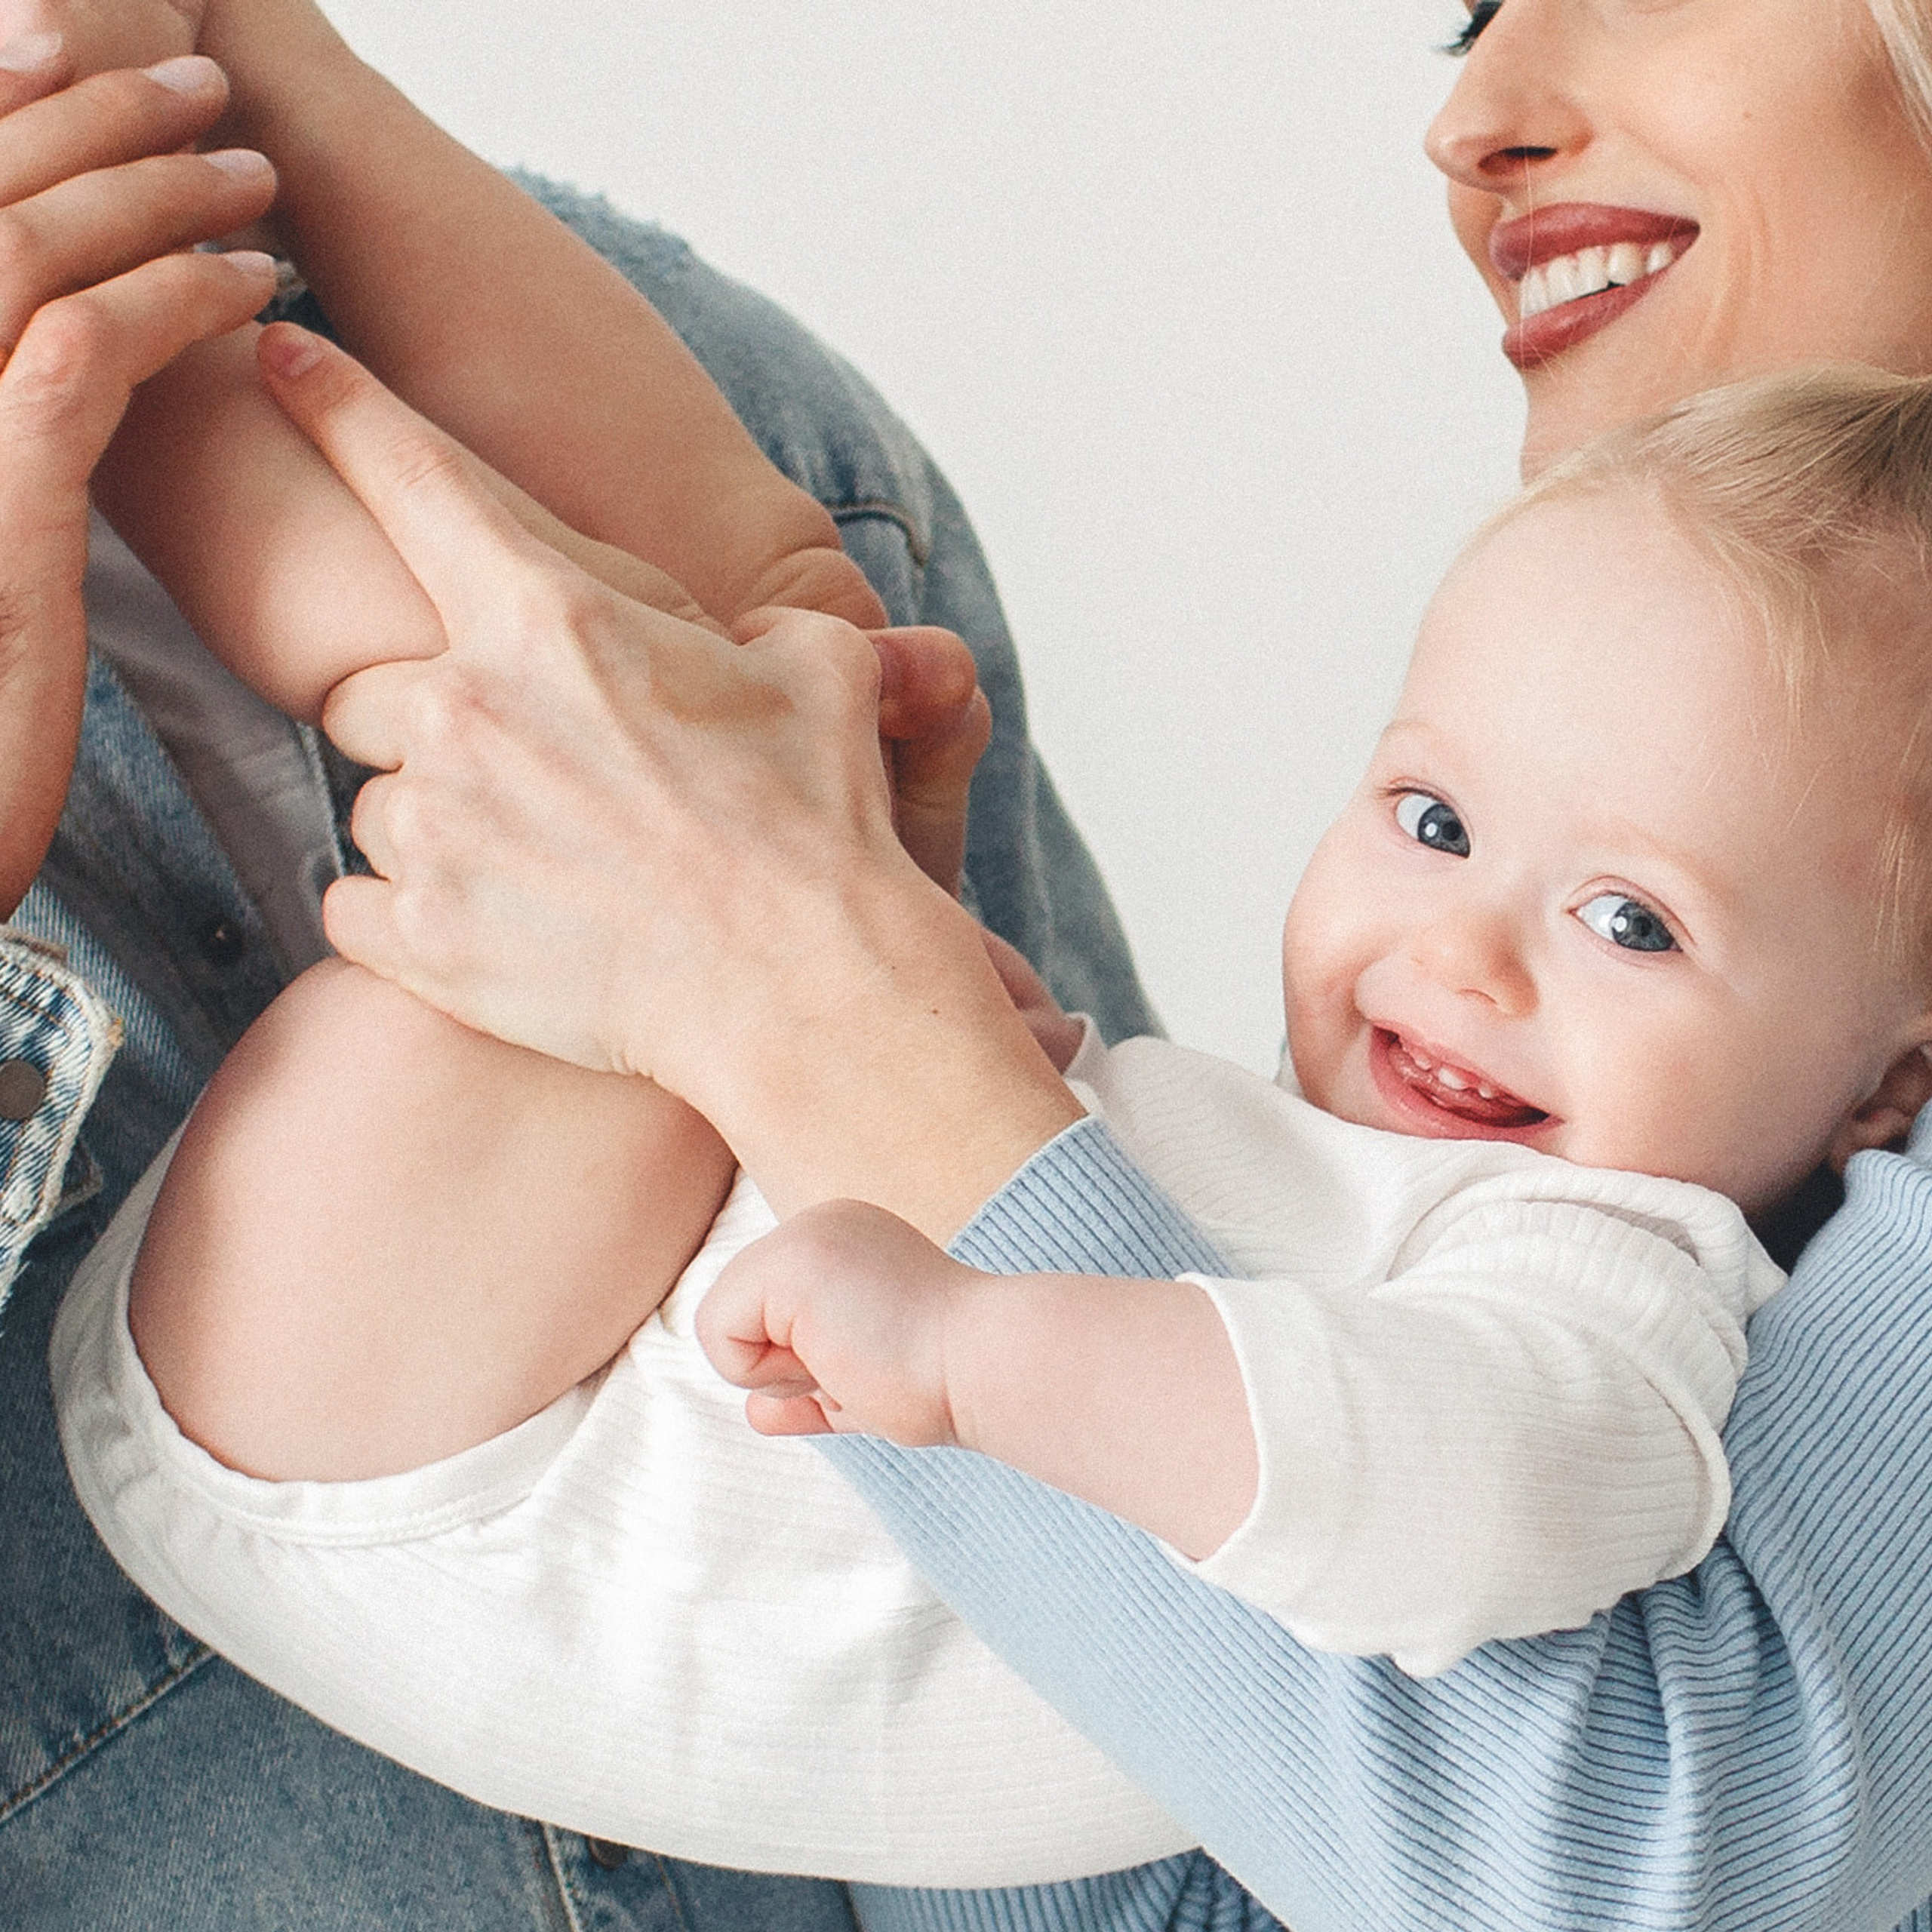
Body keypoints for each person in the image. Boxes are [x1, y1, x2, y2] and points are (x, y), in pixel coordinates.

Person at [209, 2, 1932, 1927]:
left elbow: (1599, 1853)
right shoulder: (1567, 1058)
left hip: (420, 1450)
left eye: (1632, 922)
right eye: (1427, 820)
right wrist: (938, 1039)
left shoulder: (1609, 1272)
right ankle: (217, 102)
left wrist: (847, 1046)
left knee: (665, 650)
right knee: (768, 615)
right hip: (513, 1436)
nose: (1472, 118)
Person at [0, 19, 1148, 1932]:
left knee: (713, 658)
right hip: (296, 1458)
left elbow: (1094, 1484)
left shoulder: (681, 383)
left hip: (1107, 1695)